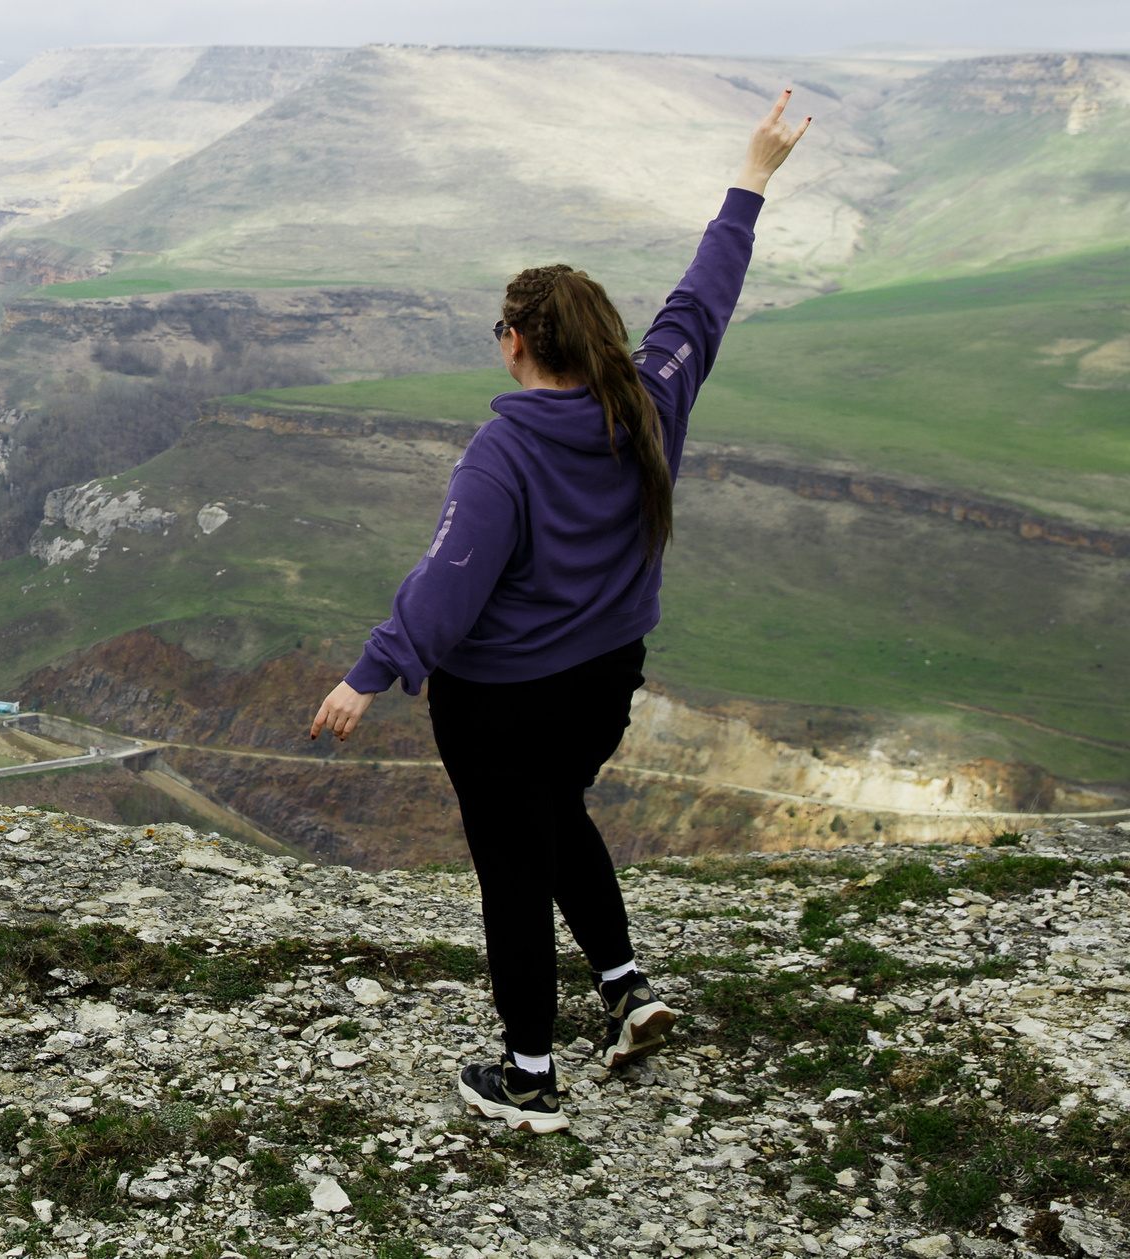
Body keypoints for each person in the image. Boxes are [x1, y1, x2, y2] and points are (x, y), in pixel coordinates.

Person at [307, 91, 814, 1134]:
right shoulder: (652, 394)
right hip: (604, 680)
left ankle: (528, 1075)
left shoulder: (505, 451)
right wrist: (752, 177)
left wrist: (370, 671)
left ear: (517, 343)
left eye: (500, 329)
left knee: (512, 866)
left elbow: (449, 581)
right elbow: (703, 300)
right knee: (559, 811)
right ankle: (626, 988)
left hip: (500, 699)